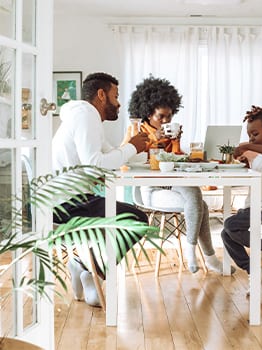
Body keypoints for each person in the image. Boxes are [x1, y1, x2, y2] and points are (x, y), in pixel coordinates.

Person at [52, 72, 150, 306]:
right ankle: (88, 270)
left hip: (68, 198)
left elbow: (107, 155)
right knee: (137, 219)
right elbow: (96, 163)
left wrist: (134, 149)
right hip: (64, 205)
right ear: (101, 95)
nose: (118, 103)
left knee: (130, 215)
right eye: (115, 96)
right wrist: (131, 148)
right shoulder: (86, 116)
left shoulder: (84, 116)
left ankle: (85, 267)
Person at [127, 76, 232, 275]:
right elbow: (131, 159)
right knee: (199, 204)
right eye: (161, 117)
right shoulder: (136, 131)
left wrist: (176, 142)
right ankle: (203, 256)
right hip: (152, 189)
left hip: (173, 183)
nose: (166, 121)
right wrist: (152, 139)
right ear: (148, 113)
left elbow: (175, 162)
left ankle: (196, 253)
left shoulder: (169, 133)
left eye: (170, 117)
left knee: (195, 197)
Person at [221, 105, 262, 293]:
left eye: (255, 134)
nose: (251, 139)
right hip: (252, 207)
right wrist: (245, 161)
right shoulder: (257, 158)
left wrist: (248, 146)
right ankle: (254, 270)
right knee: (226, 233)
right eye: (249, 135)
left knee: (231, 225)